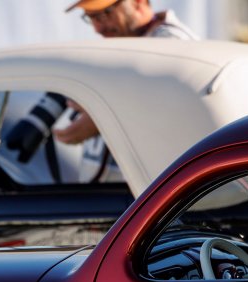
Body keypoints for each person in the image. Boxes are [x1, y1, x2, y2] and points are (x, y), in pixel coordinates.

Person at [55, 0, 199, 181]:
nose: (98, 29)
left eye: (105, 14)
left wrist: (98, 118)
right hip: (120, 193)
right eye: (90, 17)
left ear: (138, 3)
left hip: (152, 194)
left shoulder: (171, 43)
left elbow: (166, 107)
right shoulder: (124, 42)